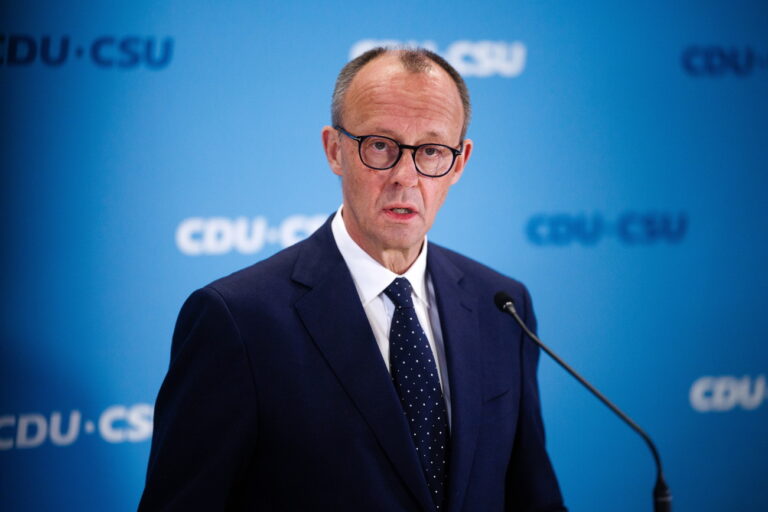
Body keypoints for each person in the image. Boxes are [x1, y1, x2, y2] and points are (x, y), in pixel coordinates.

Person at [139, 47, 566, 511]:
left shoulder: (501, 305)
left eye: (431, 150)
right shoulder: (237, 319)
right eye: (380, 145)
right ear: (334, 150)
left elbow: (532, 496)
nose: (405, 176)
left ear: (459, 162)